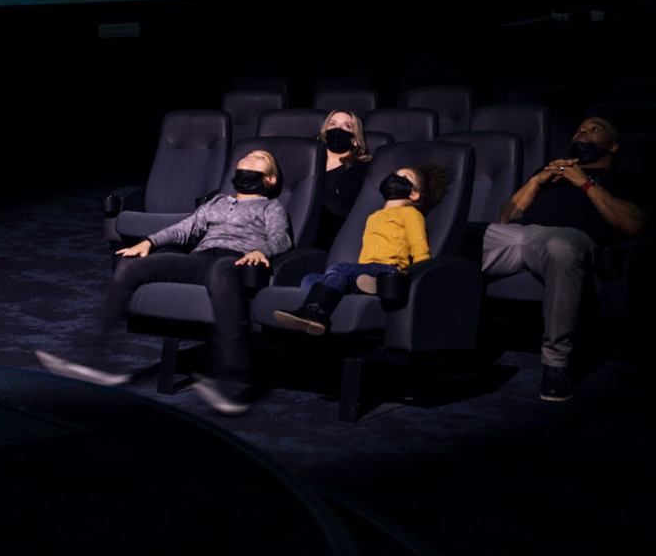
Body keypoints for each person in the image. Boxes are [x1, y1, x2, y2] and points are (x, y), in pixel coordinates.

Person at [37, 149, 291, 415]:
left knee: (220, 270)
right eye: (249, 155)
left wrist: (262, 251)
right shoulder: (217, 202)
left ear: (271, 180)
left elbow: (281, 239)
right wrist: (149, 242)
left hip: (238, 261)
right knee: (132, 266)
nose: (252, 156)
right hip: (202, 258)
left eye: (261, 158)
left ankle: (233, 378)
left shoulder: (269, 207)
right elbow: (185, 228)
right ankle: (96, 360)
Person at [481, 115, 645, 403]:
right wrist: (536, 180)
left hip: (569, 237)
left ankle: (556, 365)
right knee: (467, 238)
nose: (583, 132)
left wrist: (584, 183)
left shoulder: (622, 179)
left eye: (595, 130)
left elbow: (632, 224)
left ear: (613, 147)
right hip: (521, 235)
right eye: (580, 128)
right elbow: (505, 217)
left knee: (561, 246)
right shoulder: (548, 175)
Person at [273, 164, 444, 334]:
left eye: (404, 178)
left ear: (414, 193)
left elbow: (419, 248)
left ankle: (315, 312)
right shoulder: (374, 216)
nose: (395, 178)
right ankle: (359, 286)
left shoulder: (411, 214)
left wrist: (417, 278)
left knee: (340, 268)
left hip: (388, 270)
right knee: (309, 278)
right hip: (366, 269)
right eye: (395, 174)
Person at [313, 109, 372, 250]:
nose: (338, 129)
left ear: (356, 140)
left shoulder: (362, 168)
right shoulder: (308, 162)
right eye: (332, 124)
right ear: (324, 132)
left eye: (347, 126)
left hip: (335, 238)